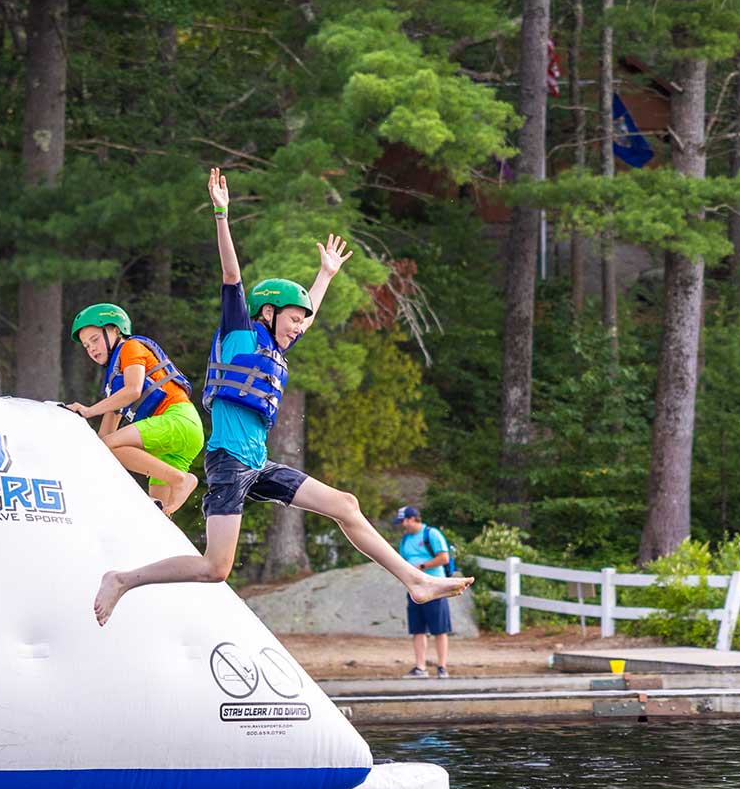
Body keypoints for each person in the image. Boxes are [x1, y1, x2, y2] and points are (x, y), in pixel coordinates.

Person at [92, 167, 473, 626]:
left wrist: (325, 276)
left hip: (258, 464)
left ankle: (415, 580)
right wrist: (220, 215)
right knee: (216, 568)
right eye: (292, 319)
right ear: (267, 313)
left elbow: (307, 317)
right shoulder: (239, 333)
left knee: (345, 505)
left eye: (300, 321)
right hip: (229, 461)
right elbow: (231, 274)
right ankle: (122, 579)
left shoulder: (274, 345)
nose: (299, 327)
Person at [63, 304, 202, 515]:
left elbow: (134, 391)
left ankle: (180, 480)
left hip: (178, 420)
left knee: (107, 447)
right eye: (86, 346)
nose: (91, 348)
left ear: (115, 331)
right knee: (158, 515)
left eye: (94, 340)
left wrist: (89, 411)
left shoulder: (130, 347)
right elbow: (104, 436)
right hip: (178, 439)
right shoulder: (115, 383)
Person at [394, 506, 454, 677]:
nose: (402, 525)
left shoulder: (431, 534)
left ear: (412, 519)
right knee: (418, 628)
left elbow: (444, 557)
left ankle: (442, 666)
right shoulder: (405, 539)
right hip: (414, 588)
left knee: (439, 628)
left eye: (403, 521)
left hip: (434, 585)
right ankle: (420, 667)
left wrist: (421, 567)